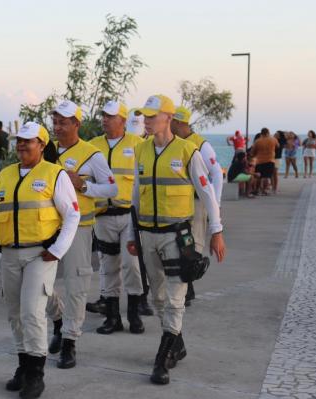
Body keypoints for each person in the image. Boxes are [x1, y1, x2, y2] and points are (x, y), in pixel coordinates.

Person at [128, 94, 225, 385]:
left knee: (174, 297)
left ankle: (162, 359)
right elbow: (135, 194)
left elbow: (207, 192)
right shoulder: (142, 150)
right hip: (147, 234)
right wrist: (134, 235)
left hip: (176, 236)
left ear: (168, 118)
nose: (146, 120)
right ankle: (177, 343)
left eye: (152, 116)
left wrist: (216, 231)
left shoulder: (187, 151)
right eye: (144, 116)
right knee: (158, 297)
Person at [0, 121, 80, 398]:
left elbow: (72, 214)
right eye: (20, 140)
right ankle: (24, 365)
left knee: (32, 312)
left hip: (41, 254)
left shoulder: (54, 174)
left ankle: (36, 374)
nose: (22, 144)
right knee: (14, 313)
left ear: (42, 144)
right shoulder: (8, 174)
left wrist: (58, 250)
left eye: (29, 140)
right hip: (9, 254)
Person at [45, 99, 117, 369]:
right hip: (46, 230)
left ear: (76, 123)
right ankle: (58, 319)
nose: (58, 126)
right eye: (55, 121)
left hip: (79, 230)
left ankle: (69, 341)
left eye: (63, 122)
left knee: (76, 286)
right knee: (40, 284)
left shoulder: (92, 154)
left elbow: (112, 190)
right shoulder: (46, 151)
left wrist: (84, 186)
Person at [85, 100, 147, 335]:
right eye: (103, 116)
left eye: (110, 116)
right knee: (108, 266)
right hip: (102, 215)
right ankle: (112, 317)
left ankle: (133, 313)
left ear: (122, 120)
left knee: (131, 265)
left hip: (129, 216)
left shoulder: (138, 144)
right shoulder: (92, 146)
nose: (104, 120)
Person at [171, 106, 223, 306]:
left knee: (193, 244)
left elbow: (217, 174)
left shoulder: (200, 144)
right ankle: (184, 286)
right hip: (178, 203)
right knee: (179, 243)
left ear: (178, 122)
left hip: (196, 202)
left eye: (172, 122)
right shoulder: (175, 142)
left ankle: (188, 287)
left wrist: (215, 205)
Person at [250, 127, 279, 195]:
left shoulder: (257, 141)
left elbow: (253, 152)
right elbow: (278, 146)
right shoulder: (273, 139)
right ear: (268, 133)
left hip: (260, 160)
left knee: (259, 176)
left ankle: (257, 190)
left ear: (261, 133)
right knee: (266, 176)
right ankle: (264, 191)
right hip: (270, 160)